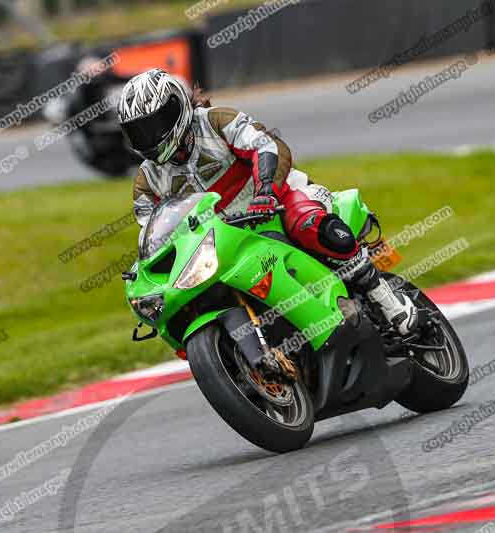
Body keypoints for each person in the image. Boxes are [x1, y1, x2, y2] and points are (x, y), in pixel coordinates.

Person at [117, 68, 418, 344]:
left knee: (308, 223)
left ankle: (389, 303)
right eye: (139, 131)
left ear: (177, 107)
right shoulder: (147, 180)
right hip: (225, 240)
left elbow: (268, 146)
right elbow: (155, 233)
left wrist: (266, 192)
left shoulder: (216, 122)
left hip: (276, 202)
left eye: (154, 125)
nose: (149, 137)